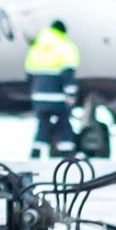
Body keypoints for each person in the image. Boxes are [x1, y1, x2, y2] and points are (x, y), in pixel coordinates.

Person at [25, 19, 82, 158]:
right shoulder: (65, 47)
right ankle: (67, 152)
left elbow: (29, 75)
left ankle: (36, 152)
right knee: (63, 123)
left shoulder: (36, 48)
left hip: (39, 96)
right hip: (57, 97)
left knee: (43, 124)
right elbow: (67, 74)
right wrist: (71, 94)